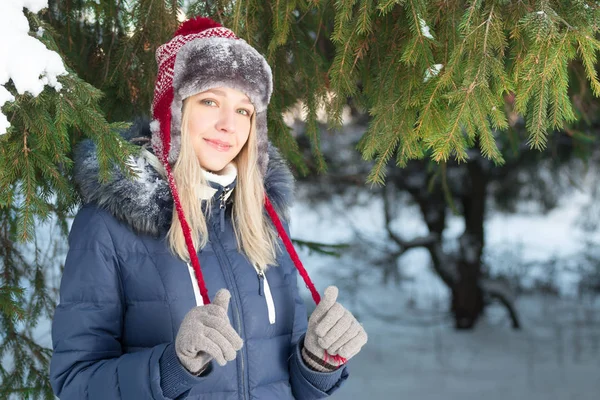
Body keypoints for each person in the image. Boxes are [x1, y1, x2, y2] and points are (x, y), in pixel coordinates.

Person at [49, 16, 367, 400]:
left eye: (244, 110)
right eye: (210, 101)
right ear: (173, 112)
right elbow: (75, 384)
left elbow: (285, 384)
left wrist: (316, 361)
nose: (227, 125)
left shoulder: (263, 221)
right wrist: (172, 368)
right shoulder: (108, 225)